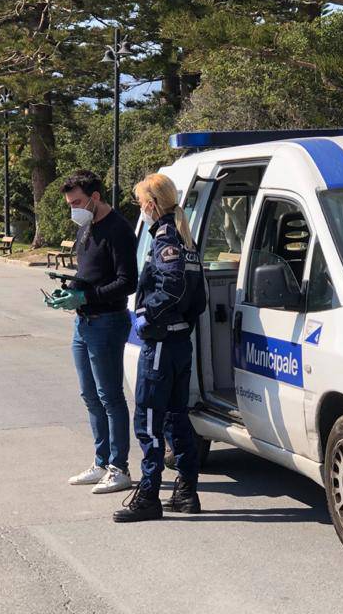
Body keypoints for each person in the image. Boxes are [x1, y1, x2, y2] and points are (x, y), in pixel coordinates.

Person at [114, 173, 206, 523]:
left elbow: (174, 288)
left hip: (163, 344)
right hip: (179, 342)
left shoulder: (166, 238)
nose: (141, 210)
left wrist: (149, 318)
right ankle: (186, 492)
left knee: (149, 420)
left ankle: (149, 494)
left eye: (141, 204)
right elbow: (197, 298)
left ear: (151, 205)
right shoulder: (184, 237)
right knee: (175, 417)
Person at [48, 170, 138, 495]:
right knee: (89, 395)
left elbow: (128, 282)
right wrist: (69, 290)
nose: (73, 209)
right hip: (83, 323)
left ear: (95, 197)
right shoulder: (86, 227)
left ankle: (119, 467)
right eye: (70, 203)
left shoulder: (119, 230)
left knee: (110, 396)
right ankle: (100, 462)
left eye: (77, 202)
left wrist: (86, 296)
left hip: (108, 322)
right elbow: (88, 273)